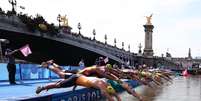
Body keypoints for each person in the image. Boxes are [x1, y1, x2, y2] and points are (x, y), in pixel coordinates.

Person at [36, 74, 121, 101]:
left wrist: (119, 99)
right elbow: (105, 93)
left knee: (60, 83)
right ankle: (42, 88)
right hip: (75, 79)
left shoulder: (106, 83)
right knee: (58, 86)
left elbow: (114, 93)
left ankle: (61, 81)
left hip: (79, 78)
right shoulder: (101, 84)